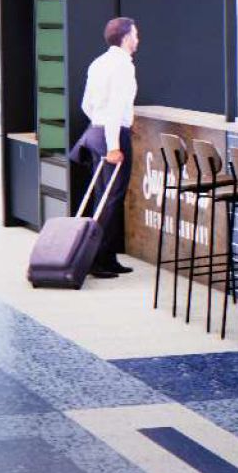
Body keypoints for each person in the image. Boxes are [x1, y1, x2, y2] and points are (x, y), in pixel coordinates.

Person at [73, 16, 140, 279]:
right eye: (135, 34)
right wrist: (113, 145)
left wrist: (99, 126)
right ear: (125, 38)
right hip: (113, 136)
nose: (138, 39)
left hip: (95, 132)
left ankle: (108, 257)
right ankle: (97, 259)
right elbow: (115, 108)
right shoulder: (123, 66)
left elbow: (86, 105)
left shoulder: (98, 62)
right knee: (111, 200)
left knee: (104, 198)